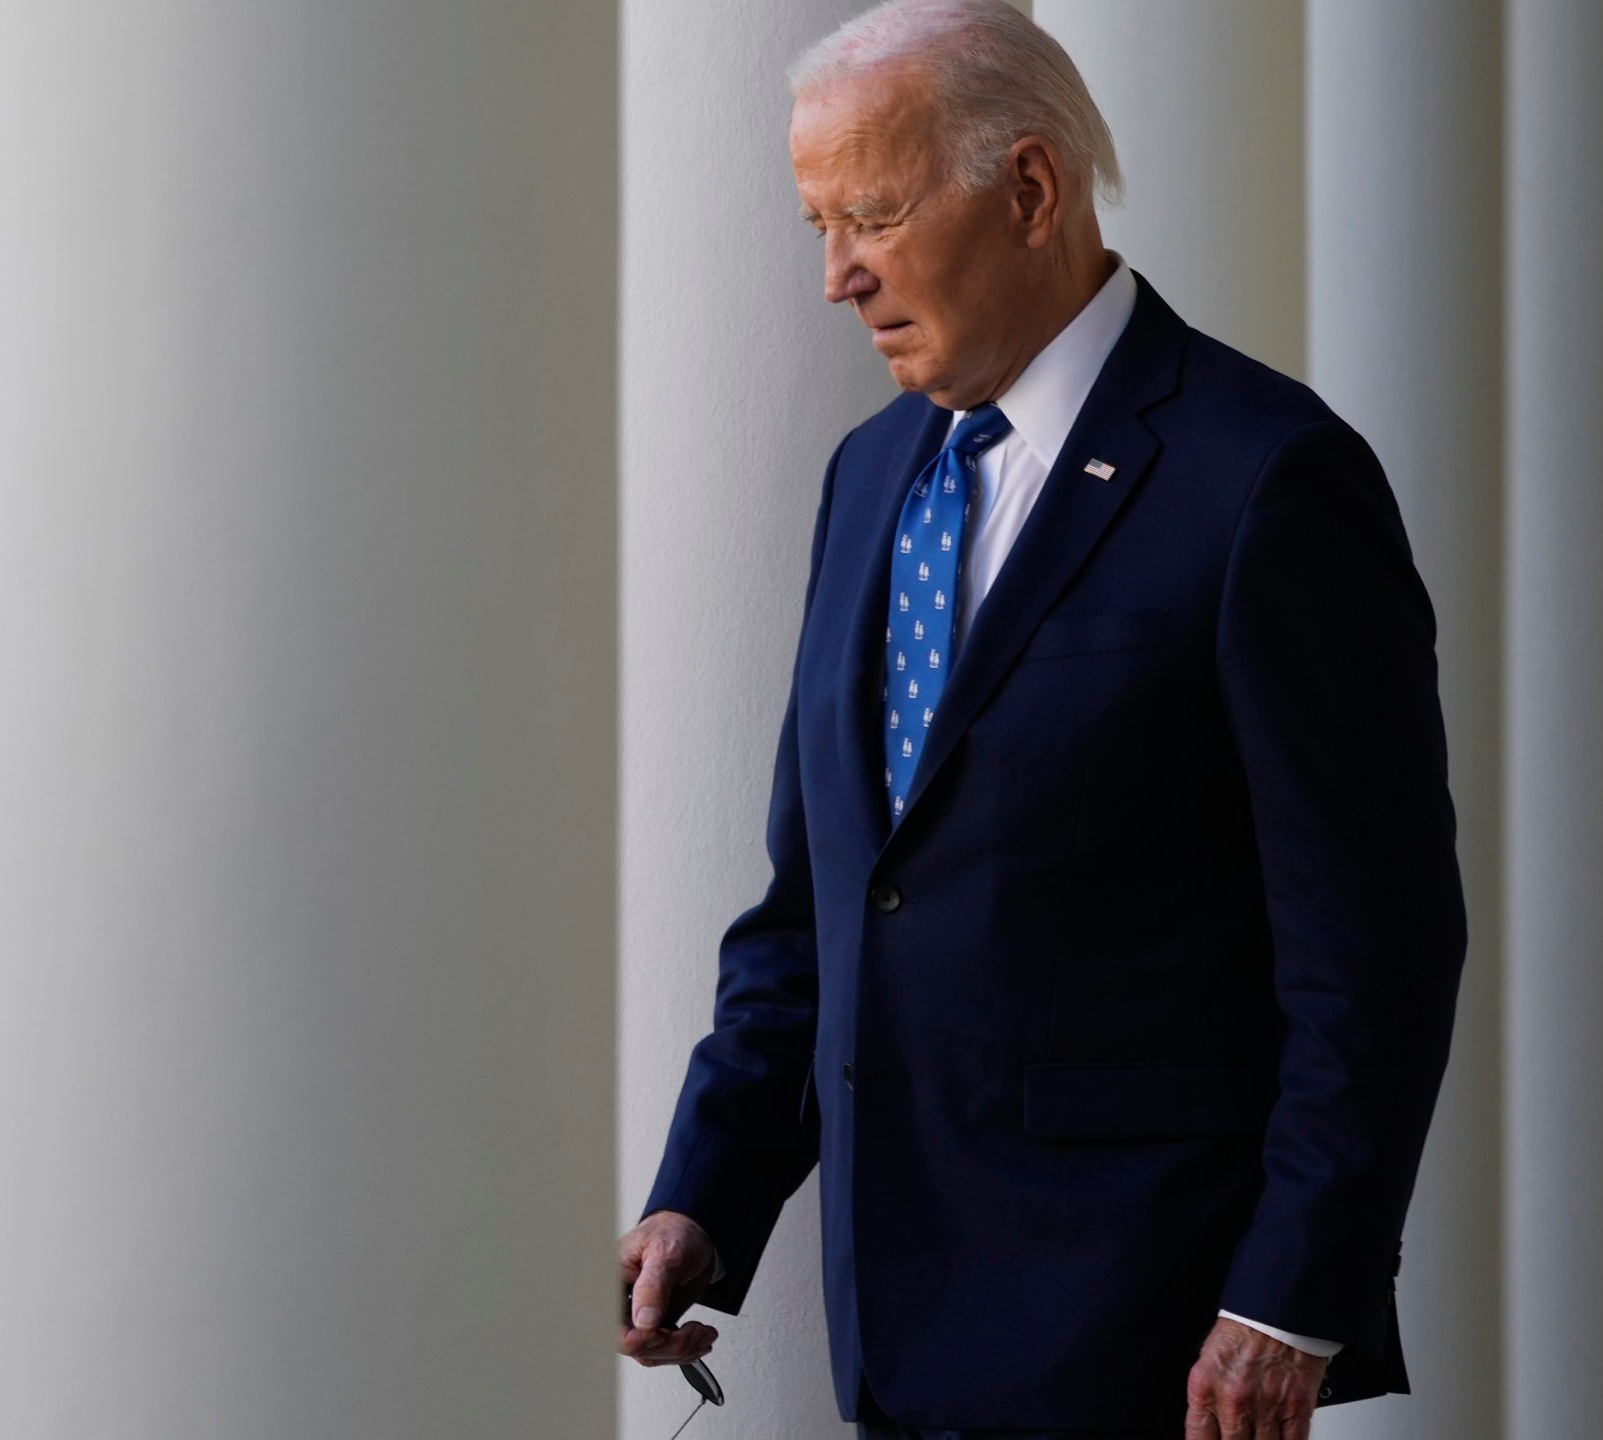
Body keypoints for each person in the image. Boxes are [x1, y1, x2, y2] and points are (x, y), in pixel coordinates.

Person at [614, 4, 1467, 1439]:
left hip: (1151, 1334)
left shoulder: (1269, 480)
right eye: (819, 222)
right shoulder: (870, 474)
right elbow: (823, 898)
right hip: (894, 1330)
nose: (837, 276)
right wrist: (708, 1187)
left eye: (872, 214)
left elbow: (1375, 947)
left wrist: (1289, 1300)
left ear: (1027, 190)